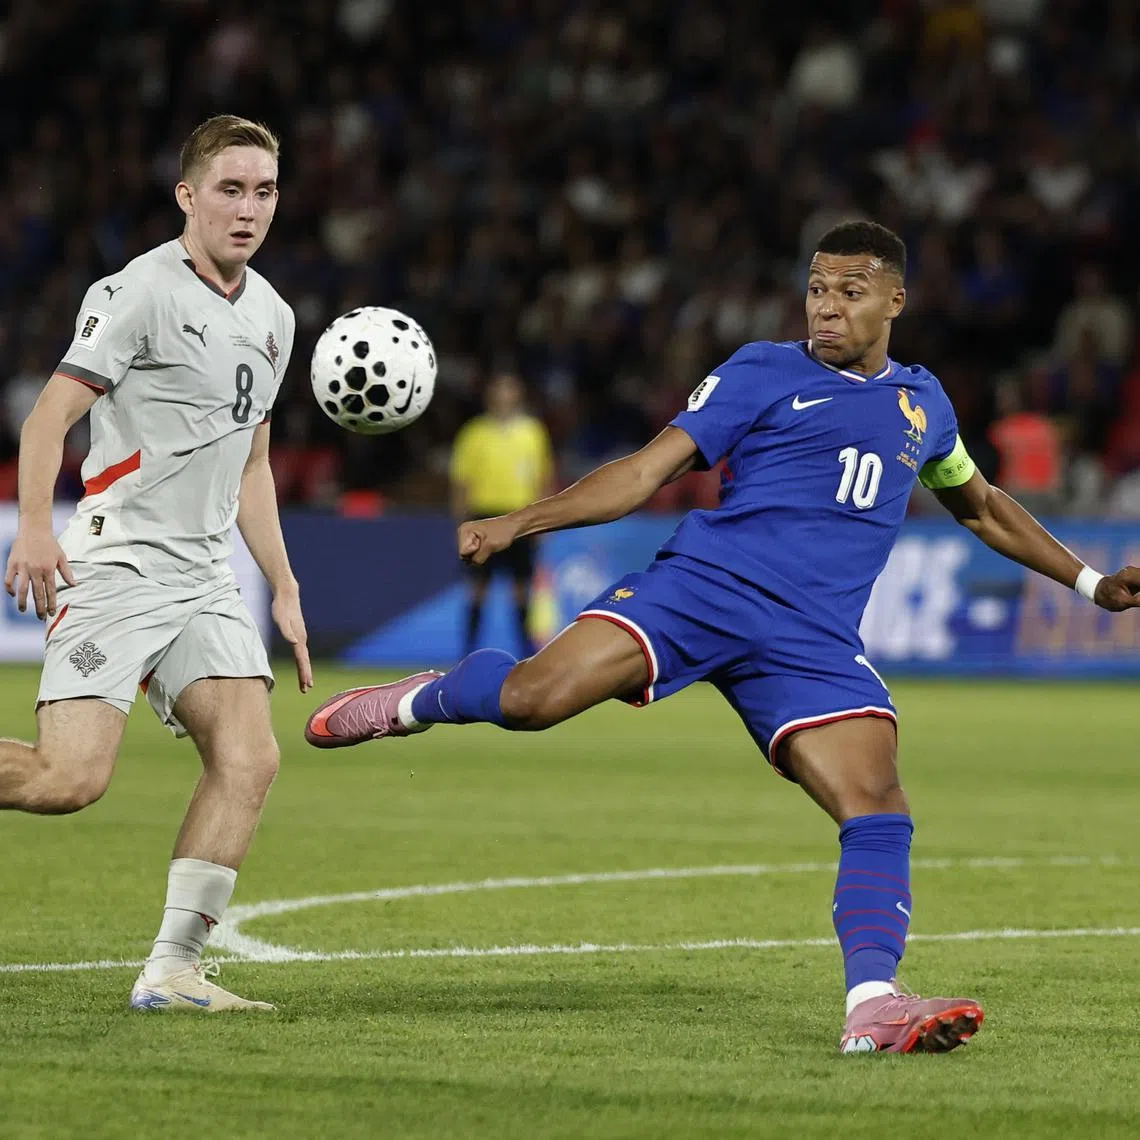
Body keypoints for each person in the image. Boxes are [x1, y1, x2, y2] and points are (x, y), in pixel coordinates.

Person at [305, 221, 1140, 1054]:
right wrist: (519, 522)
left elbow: (982, 507)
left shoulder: (924, 405)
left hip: (811, 638)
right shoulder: (761, 371)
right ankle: (422, 699)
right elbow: (645, 470)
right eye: (817, 288)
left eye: (850, 292)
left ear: (896, 300)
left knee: (879, 806)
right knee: (531, 701)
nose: (826, 307)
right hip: (705, 589)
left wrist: (1091, 583)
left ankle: (873, 1006)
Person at [2, 115, 312, 1013]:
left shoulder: (274, 316)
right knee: (69, 780)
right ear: (188, 195)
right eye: (230, 189)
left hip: (205, 577)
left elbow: (252, 466)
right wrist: (35, 528)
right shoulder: (137, 291)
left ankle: (174, 971)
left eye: (264, 191)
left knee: (249, 759)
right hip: (120, 564)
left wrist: (284, 585)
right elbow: (46, 419)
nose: (248, 209)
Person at [449, 371, 553, 657]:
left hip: (520, 517)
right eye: (499, 390)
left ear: (518, 395)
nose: (503, 396)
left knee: (521, 589)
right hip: (483, 516)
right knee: (477, 589)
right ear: (490, 396)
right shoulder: (474, 433)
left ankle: (526, 655)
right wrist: (461, 522)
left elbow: (543, 478)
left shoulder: (532, 432)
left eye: (509, 390)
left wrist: (543, 523)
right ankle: (467, 654)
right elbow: (461, 482)